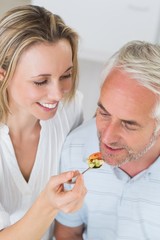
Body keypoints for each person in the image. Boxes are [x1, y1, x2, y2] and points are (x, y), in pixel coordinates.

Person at [54, 40, 160, 240]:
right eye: (103, 113)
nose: (107, 138)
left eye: (128, 124)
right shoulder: (76, 147)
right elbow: (68, 232)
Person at [0, 5, 87, 240]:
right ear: (3, 75)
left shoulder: (70, 109)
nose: (58, 94)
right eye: (41, 81)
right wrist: (48, 205)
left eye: (66, 75)